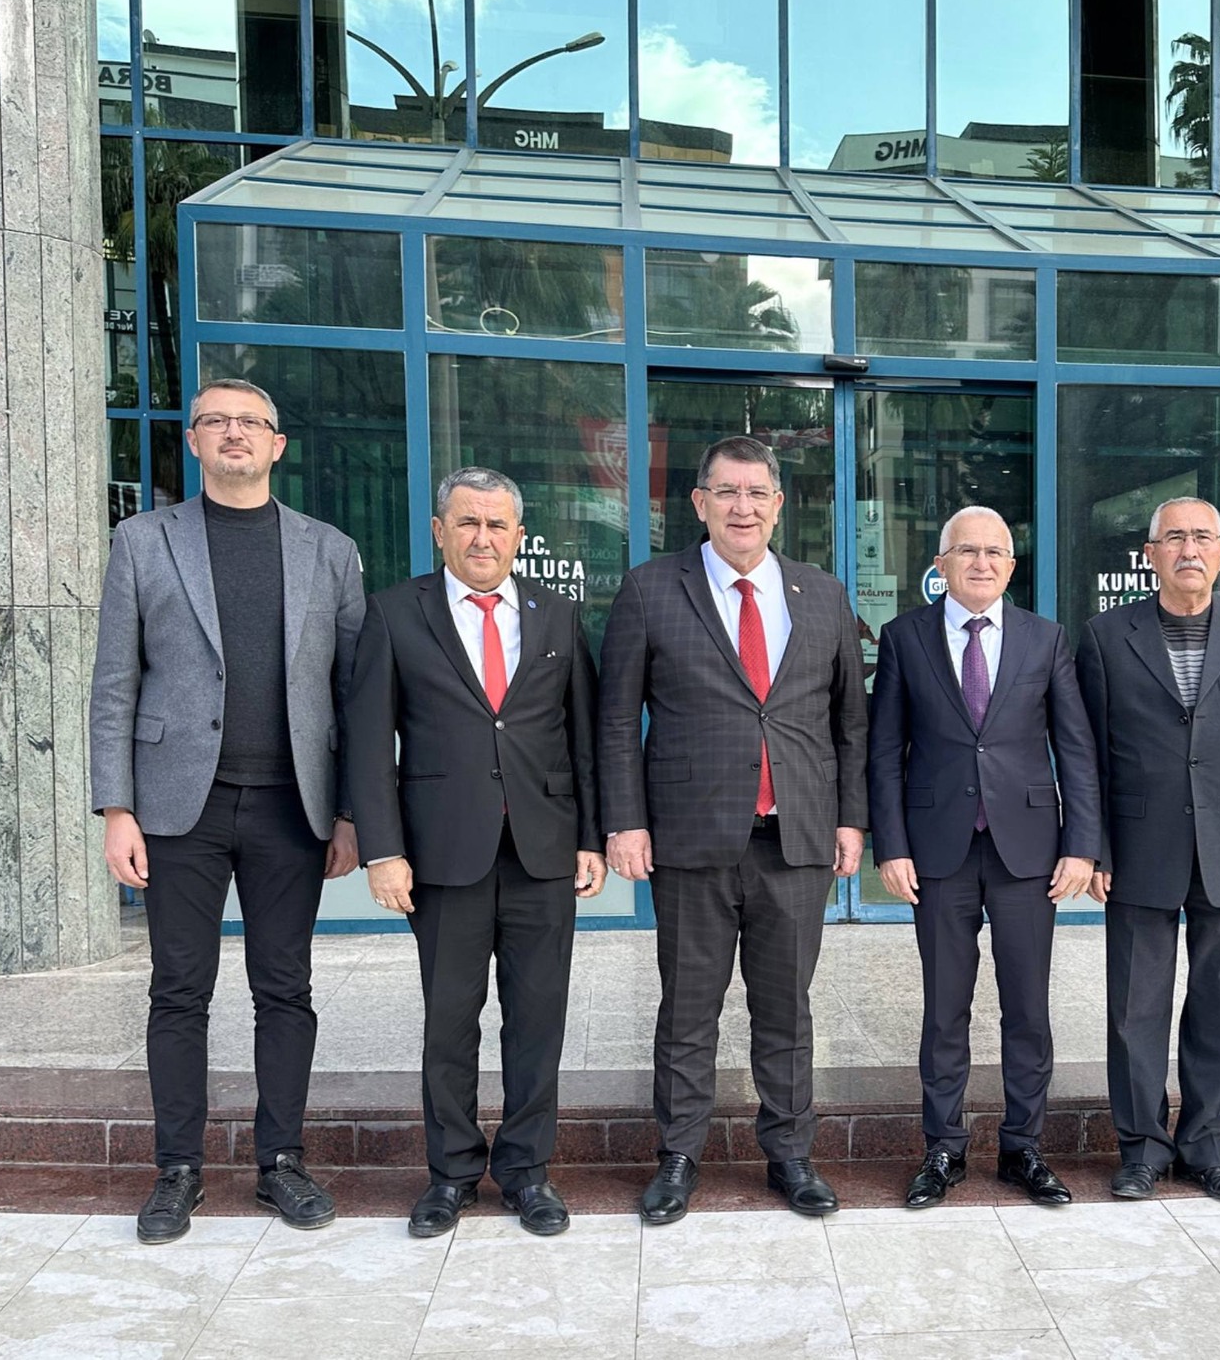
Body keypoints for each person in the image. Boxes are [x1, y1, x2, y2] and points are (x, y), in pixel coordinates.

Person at [90, 378, 365, 1245]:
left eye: (250, 422)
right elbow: (114, 683)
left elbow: (355, 692)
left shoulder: (330, 550)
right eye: (216, 420)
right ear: (195, 441)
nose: (234, 432)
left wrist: (352, 812)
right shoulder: (142, 541)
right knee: (179, 988)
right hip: (179, 806)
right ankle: (178, 1168)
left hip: (292, 805)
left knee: (285, 987)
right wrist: (116, 806)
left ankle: (281, 1160)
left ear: (277, 444)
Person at [600, 436, 869, 1224]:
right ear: (699, 502)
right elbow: (616, 720)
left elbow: (851, 722)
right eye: (726, 492)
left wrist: (852, 818)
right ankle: (679, 1155)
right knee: (689, 1009)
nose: (741, 507)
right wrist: (625, 820)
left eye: (756, 493)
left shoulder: (822, 593)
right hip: (690, 840)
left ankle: (790, 1154)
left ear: (778, 505)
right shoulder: (651, 589)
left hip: (796, 838)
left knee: (786, 1008)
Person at [345, 466, 604, 1238]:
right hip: (442, 856)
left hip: (541, 853)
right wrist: (382, 850)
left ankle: (527, 1170)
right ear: (440, 531)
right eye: (467, 522)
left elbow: (584, 740)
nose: (482, 537)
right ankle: (452, 1172)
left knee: (538, 1021)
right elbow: (368, 743)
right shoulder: (396, 613)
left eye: (497, 524)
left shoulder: (558, 615)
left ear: (519, 536)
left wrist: (591, 836)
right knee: (449, 1022)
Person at [868, 506, 1100, 1209]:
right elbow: (884, 751)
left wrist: (1081, 844)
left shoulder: (1044, 637)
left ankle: (1023, 1146)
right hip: (936, 851)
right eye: (966, 551)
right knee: (945, 1009)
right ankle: (943, 1148)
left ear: (1011, 566)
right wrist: (891, 845)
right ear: (940, 564)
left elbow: (1076, 748)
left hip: (1028, 852)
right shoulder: (904, 637)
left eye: (994, 552)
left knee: (1027, 1008)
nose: (981, 562)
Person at [1077, 496, 1220, 1202]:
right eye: (1174, 537)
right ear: (1149, 554)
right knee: (1134, 1009)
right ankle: (1141, 1150)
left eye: (1203, 537)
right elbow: (1087, 755)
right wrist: (1094, 847)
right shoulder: (1105, 635)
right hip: (1139, 846)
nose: (1189, 549)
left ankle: (1207, 1148)